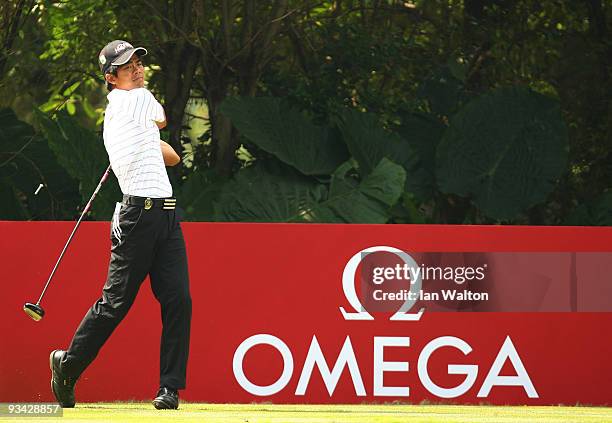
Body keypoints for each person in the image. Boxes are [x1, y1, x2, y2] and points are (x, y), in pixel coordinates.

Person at [49, 40, 192, 410]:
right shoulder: (136, 101)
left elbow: (170, 157)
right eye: (128, 67)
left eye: (139, 63)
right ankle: (67, 365)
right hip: (138, 219)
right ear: (111, 78)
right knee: (115, 304)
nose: (139, 70)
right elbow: (162, 121)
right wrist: (150, 138)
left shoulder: (123, 113)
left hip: (167, 216)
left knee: (178, 299)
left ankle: (169, 389)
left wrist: (144, 143)